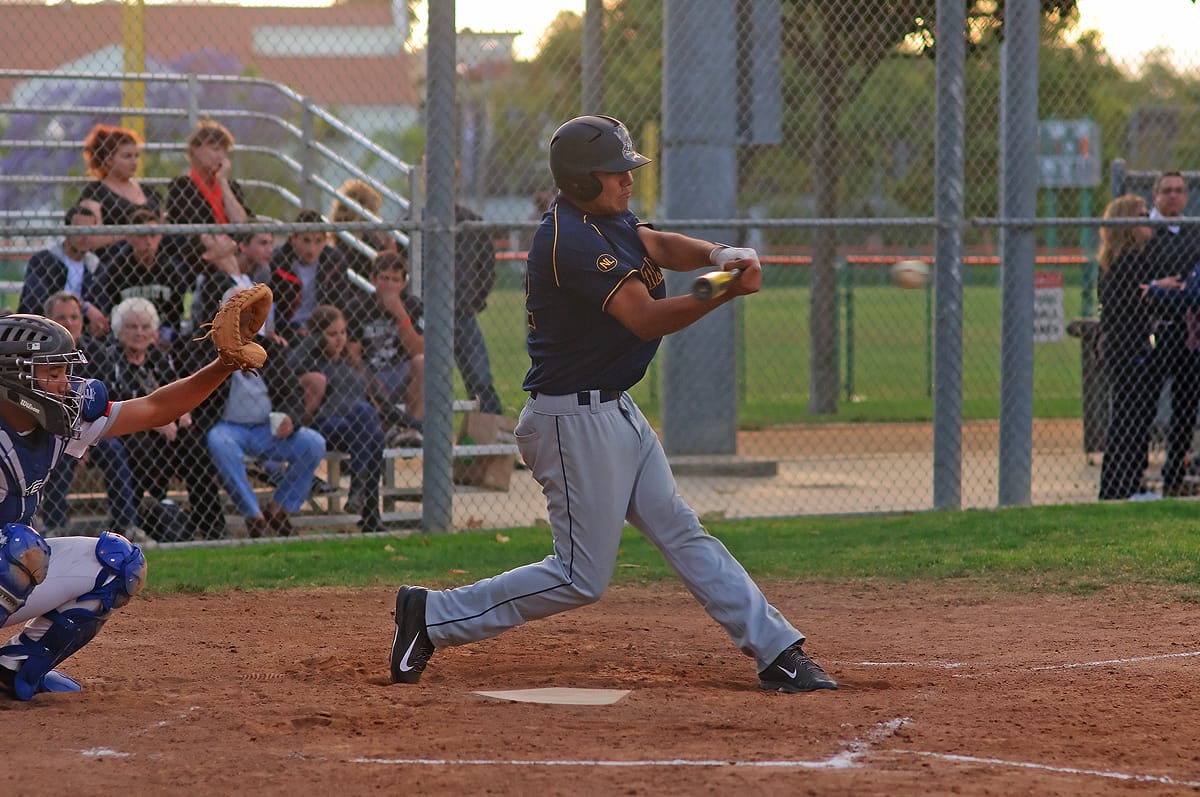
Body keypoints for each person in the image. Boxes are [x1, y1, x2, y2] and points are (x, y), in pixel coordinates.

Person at [387, 114, 837, 694]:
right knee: (580, 576)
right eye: (615, 174)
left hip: (613, 411)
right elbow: (644, 316)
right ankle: (431, 616)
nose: (628, 181)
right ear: (579, 182)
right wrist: (724, 287)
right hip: (571, 422)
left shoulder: (605, 218)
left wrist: (719, 253)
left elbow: (654, 242)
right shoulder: (567, 238)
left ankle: (777, 650)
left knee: (681, 531)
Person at [0, 299, 255, 701]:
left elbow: (155, 408)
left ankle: (15, 669)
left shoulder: (56, 420)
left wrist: (224, 364)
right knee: (18, 549)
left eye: (66, 371)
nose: (66, 384)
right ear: (13, 378)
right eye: (52, 373)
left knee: (118, 564)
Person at [200, 288, 325, 539]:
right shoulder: (209, 349)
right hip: (229, 427)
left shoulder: (272, 350)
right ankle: (253, 515)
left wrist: (291, 417)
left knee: (313, 443)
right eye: (237, 315)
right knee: (218, 442)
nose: (246, 322)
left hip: (267, 429)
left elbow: (292, 395)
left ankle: (279, 509)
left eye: (251, 316)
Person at [38, 291, 131, 539]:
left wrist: (88, 441)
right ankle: (54, 525)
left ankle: (126, 525)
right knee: (62, 450)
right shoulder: (38, 357)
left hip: (94, 431)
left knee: (114, 451)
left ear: (82, 321)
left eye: (74, 317)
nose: (68, 323)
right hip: (55, 430)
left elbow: (106, 403)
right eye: (61, 317)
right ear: (48, 320)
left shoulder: (97, 353)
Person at [292, 304, 385, 533]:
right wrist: (313, 341)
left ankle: (358, 493)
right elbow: (291, 365)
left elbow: (384, 403)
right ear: (317, 335)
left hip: (356, 431)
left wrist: (417, 426)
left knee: (371, 427)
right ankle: (369, 511)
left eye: (343, 332)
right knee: (370, 428)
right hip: (326, 426)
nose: (339, 339)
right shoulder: (311, 363)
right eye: (332, 334)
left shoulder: (353, 365)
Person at [1097, 195, 1164, 501]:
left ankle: (1124, 485)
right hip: (1126, 348)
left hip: (1120, 345)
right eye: (1140, 215)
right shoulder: (1127, 260)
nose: (1147, 219)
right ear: (1126, 223)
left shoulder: (1122, 258)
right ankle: (1119, 488)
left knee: (1130, 416)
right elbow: (1128, 302)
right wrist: (1157, 290)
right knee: (1128, 418)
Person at [1141, 171, 1200, 496]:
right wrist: (1158, 290)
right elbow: (1143, 287)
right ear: (1155, 196)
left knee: (1185, 407)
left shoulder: (1193, 231)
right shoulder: (1145, 233)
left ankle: (1174, 476)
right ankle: (1136, 472)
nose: (1173, 196)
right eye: (1167, 191)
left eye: (1179, 191)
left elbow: (1193, 289)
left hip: (1187, 333)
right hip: (1154, 331)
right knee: (1145, 405)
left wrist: (1164, 290)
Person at [343, 251, 425, 440]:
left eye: (395, 280)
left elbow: (418, 350)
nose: (389, 285)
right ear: (372, 279)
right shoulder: (358, 307)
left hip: (401, 373)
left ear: (403, 283)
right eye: (384, 278)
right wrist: (370, 380)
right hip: (369, 374)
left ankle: (413, 431)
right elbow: (353, 356)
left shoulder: (413, 305)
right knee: (355, 370)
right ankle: (384, 431)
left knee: (422, 363)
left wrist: (400, 314)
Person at [163, 119, 251, 280]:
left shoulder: (230, 187)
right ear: (195, 150)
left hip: (234, 252)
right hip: (200, 256)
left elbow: (243, 224)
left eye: (224, 151)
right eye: (215, 149)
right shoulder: (182, 186)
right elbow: (195, 231)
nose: (221, 156)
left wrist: (223, 183)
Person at [94, 208, 187, 348]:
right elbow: (108, 311)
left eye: (153, 235)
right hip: (125, 338)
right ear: (130, 237)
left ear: (160, 236)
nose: (149, 241)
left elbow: (176, 314)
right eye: (142, 235)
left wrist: (165, 336)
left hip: (159, 337)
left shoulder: (170, 270)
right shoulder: (116, 269)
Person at [19, 202, 110, 338]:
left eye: (90, 230)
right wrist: (85, 307)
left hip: (82, 336)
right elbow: (37, 303)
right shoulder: (44, 260)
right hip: (44, 332)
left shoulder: (95, 266)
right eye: (79, 230)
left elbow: (101, 305)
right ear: (66, 230)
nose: (85, 236)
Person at [76, 123, 163, 265]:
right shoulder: (95, 192)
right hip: (115, 263)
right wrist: (132, 234)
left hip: (154, 260)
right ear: (109, 160)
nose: (134, 162)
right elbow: (89, 240)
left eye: (136, 156)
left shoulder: (148, 190)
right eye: (127, 156)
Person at [268, 208, 355, 344]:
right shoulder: (278, 262)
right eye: (306, 241)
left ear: (325, 240)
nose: (312, 249)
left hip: (323, 329)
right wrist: (292, 329)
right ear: (294, 239)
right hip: (286, 330)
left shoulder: (334, 262)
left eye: (318, 241)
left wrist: (320, 327)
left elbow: (340, 303)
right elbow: (274, 307)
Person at [450, 202, 503, 415]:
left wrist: (477, 300)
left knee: (479, 376)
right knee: (423, 376)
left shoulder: (470, 219)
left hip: (462, 311)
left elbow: (487, 264)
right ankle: (417, 433)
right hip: (422, 315)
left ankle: (489, 434)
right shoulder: (414, 217)